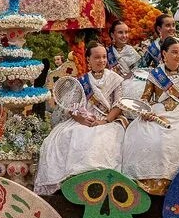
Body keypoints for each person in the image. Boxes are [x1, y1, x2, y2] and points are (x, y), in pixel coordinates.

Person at [35, 43, 126, 195]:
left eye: (104, 57)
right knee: (67, 136)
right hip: (83, 120)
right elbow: (71, 107)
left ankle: (101, 181)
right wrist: (81, 119)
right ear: (88, 59)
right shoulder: (81, 81)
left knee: (104, 138)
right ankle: (72, 181)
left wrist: (105, 121)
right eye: (97, 57)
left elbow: (119, 104)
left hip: (107, 120)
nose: (101, 60)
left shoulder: (115, 79)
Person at [121, 36, 179, 195]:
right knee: (149, 136)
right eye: (174, 52)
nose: (178, 56)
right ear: (164, 54)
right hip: (157, 113)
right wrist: (145, 111)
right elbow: (145, 98)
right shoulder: (155, 74)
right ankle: (146, 181)